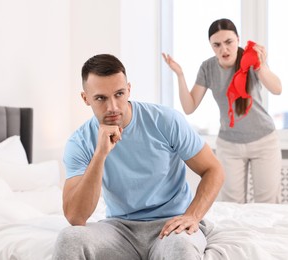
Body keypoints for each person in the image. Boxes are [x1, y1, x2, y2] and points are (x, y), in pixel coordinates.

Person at [52, 54, 225, 260]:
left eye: (119, 94)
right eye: (101, 98)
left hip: (171, 225)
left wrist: (192, 216)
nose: (113, 107)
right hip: (120, 230)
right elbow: (76, 216)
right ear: (85, 98)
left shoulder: (165, 121)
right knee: (68, 239)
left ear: (129, 90)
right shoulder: (79, 142)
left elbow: (213, 170)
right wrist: (100, 154)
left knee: (180, 248)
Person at [162, 18, 282, 204]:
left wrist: (260, 66)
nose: (223, 49)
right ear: (211, 46)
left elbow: (277, 89)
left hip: (263, 141)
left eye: (228, 42)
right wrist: (180, 74)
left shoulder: (250, 59)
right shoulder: (208, 67)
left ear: (238, 40)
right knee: (231, 204)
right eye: (216, 45)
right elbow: (189, 106)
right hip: (229, 145)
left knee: (267, 203)